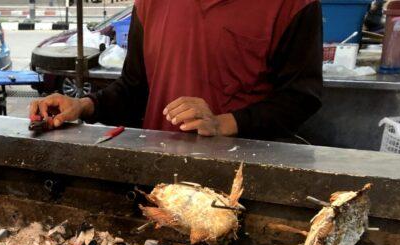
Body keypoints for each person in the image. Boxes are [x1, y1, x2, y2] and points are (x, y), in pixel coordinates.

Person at [29, 0, 324, 140]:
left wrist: (223, 123)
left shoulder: (293, 4)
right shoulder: (150, 3)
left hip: (239, 182)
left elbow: (301, 97)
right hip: (159, 175)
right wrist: (82, 106)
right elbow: (134, 88)